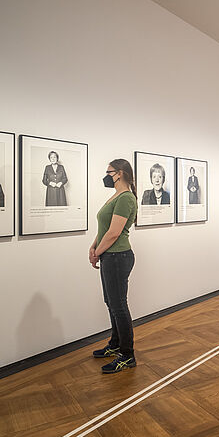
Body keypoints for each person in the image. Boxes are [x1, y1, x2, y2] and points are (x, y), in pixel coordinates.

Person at [90, 159, 139, 373]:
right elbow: (104, 228)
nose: (106, 175)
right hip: (110, 256)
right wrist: (94, 247)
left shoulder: (126, 198)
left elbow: (114, 233)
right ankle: (116, 343)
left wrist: (96, 254)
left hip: (118, 256)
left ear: (119, 173)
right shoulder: (116, 196)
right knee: (111, 302)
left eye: (108, 172)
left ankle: (127, 355)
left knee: (119, 306)